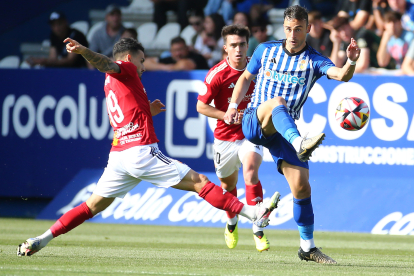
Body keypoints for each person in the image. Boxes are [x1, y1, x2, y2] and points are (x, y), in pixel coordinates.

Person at [17, 37, 281, 257]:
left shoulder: (111, 84)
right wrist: (83, 51)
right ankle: (254, 212)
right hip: (141, 151)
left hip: (118, 156)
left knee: (90, 207)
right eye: (142, 61)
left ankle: (42, 238)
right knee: (200, 181)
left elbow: (124, 113)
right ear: (130, 59)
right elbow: (107, 63)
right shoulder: (125, 68)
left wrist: (146, 110)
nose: (143, 67)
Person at [224, 5, 361, 264]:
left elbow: (342, 76)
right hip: (256, 119)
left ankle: (307, 248)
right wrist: (233, 106)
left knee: (301, 187)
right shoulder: (266, 50)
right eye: (288, 29)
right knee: (277, 102)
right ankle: (301, 143)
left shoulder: (314, 60)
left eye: (298, 29)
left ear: (308, 28)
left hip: (282, 129)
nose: (292, 34)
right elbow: (244, 78)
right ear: (283, 28)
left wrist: (351, 60)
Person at [197, 25, 269, 252]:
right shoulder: (217, 74)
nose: (238, 50)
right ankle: (231, 223)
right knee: (228, 186)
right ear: (225, 48)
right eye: (233, 45)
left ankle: (258, 228)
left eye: (242, 45)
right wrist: (225, 116)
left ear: (248, 46)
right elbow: (201, 106)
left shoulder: (258, 69)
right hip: (225, 138)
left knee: (250, 170)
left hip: (250, 134)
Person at [145, 37, 209, 71]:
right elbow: (145, 63)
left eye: (180, 50)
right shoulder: (169, 60)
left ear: (187, 49)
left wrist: (170, 69)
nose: (178, 53)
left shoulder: (198, 57)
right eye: (175, 50)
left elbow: (183, 65)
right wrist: (164, 67)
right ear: (170, 52)